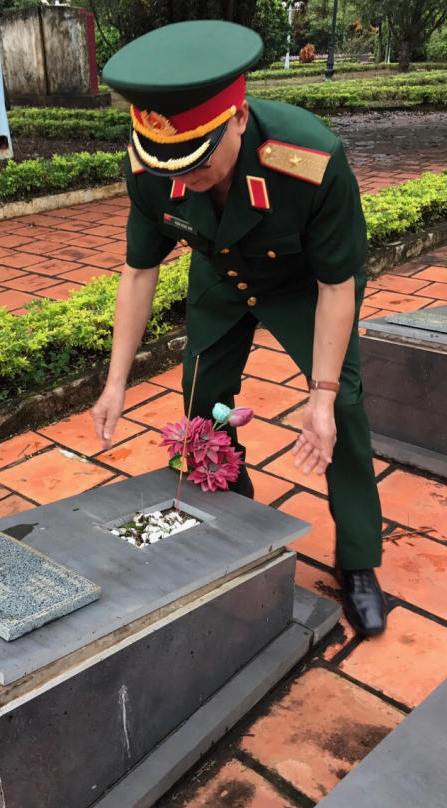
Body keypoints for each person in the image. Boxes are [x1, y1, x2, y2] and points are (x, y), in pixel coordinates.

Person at [90, 20, 387, 636]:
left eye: (198, 159)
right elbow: (139, 272)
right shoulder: (152, 168)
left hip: (304, 286)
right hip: (222, 276)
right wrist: (115, 383)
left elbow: (338, 286)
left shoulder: (311, 161)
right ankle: (233, 514)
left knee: (342, 410)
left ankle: (358, 559)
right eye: (172, 163)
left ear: (239, 118)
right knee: (202, 403)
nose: (185, 175)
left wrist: (321, 396)